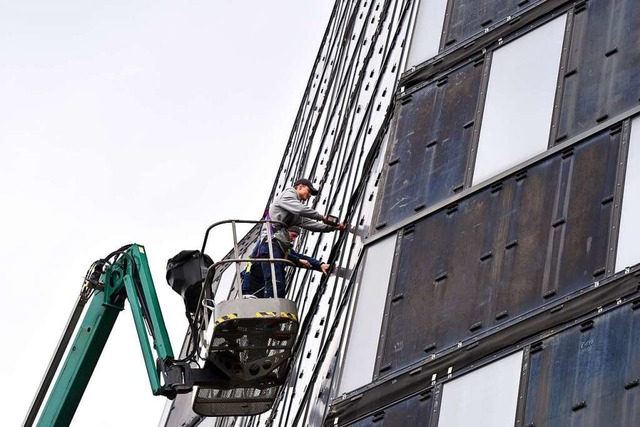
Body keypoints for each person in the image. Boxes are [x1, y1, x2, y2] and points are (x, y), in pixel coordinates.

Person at [254, 178, 346, 298]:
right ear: (300, 186)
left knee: (279, 285)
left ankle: (274, 312)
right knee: (275, 283)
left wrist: (332, 228)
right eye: (308, 191)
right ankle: (271, 312)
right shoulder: (288, 194)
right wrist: (321, 217)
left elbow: (308, 223)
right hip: (271, 243)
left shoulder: (291, 211)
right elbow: (301, 209)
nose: (309, 195)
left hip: (278, 245)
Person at [241, 227, 331, 297]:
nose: (293, 239)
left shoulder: (284, 248)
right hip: (253, 282)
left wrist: (320, 265)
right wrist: (297, 260)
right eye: (293, 235)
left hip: (262, 283)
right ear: (285, 232)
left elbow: (298, 257)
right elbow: (275, 255)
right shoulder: (270, 242)